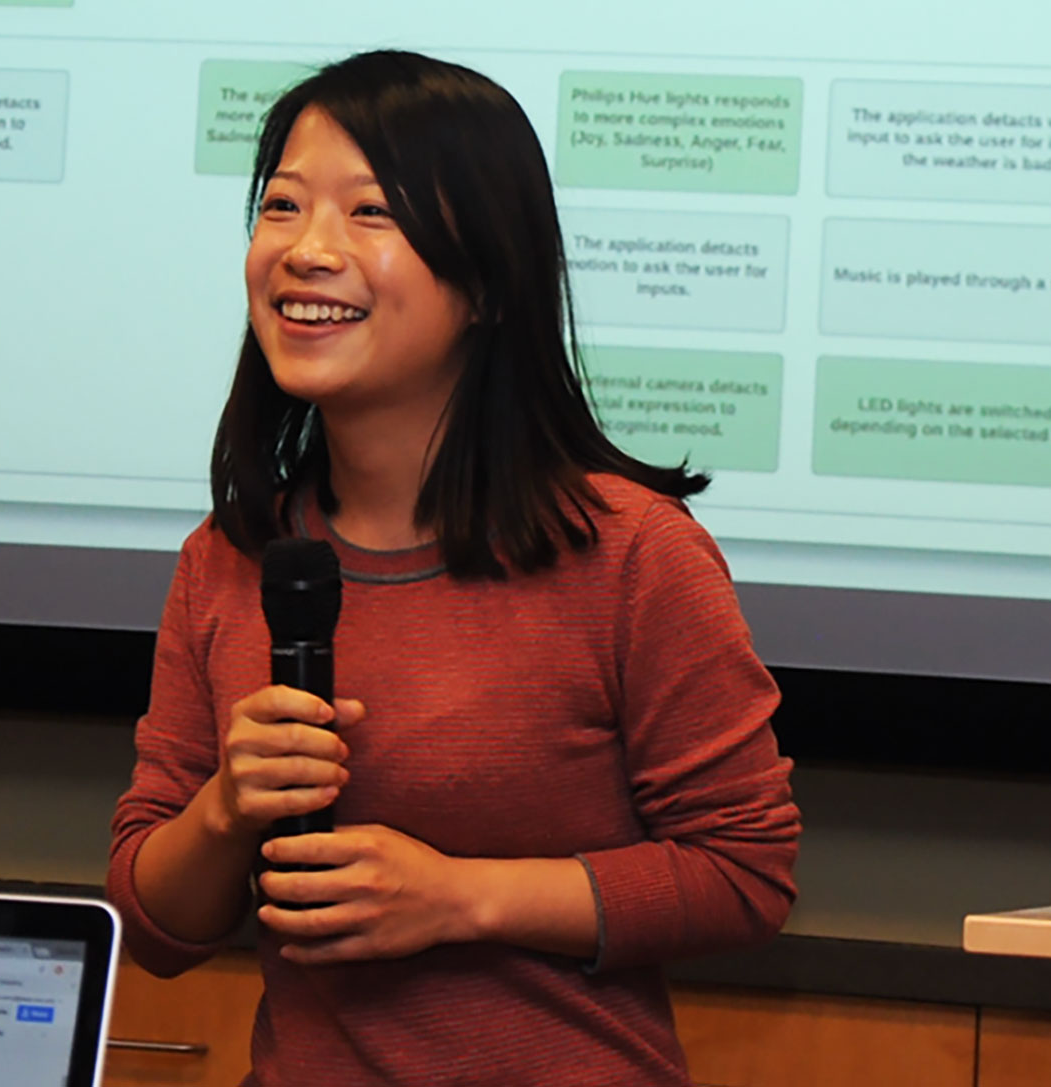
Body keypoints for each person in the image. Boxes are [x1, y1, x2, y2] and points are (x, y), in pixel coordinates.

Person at [108, 49, 800, 1087]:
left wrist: (460, 895)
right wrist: (223, 807)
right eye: (282, 206)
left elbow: (744, 872)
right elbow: (153, 927)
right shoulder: (229, 561)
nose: (306, 250)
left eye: (370, 213)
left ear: (482, 281)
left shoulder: (628, 552)